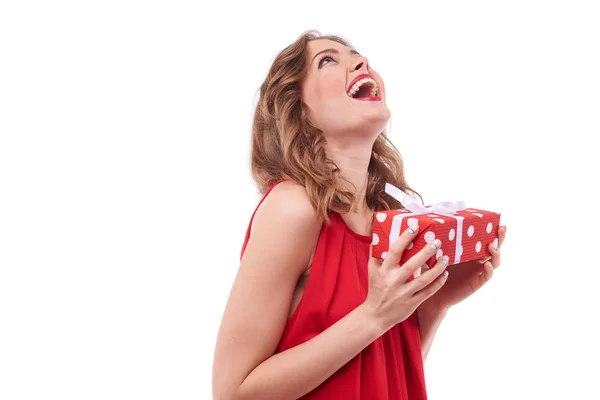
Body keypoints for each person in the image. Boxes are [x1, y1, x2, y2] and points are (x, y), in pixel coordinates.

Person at [212, 30, 507, 400]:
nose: (360, 62)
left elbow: (384, 375)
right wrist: (374, 315)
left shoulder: (389, 222)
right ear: (298, 109)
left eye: (358, 54)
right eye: (328, 60)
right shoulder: (293, 209)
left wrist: (433, 304)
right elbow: (232, 392)